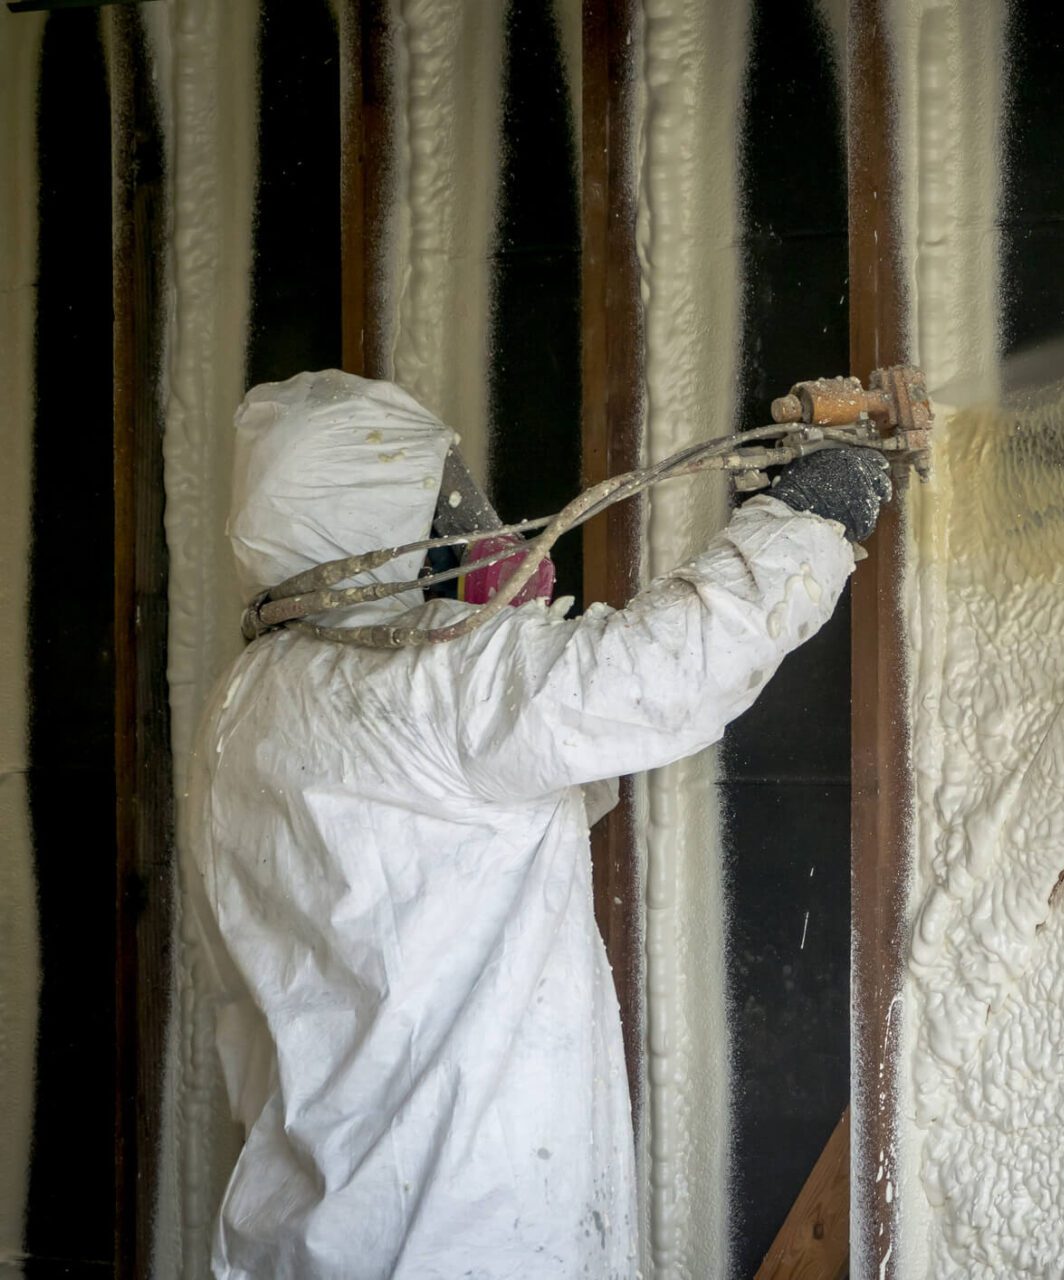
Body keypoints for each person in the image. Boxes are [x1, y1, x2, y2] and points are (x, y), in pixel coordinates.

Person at [180, 370, 891, 1277]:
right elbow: (663, 670)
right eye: (446, 504)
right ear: (378, 519)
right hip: (462, 1233)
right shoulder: (432, 682)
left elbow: (512, 801)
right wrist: (816, 508)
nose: (476, 528)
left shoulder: (243, 704)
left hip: (304, 1232)